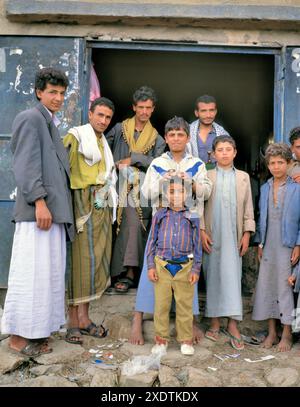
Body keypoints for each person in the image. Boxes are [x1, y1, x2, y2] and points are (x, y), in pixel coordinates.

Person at [1, 68, 74, 357]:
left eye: (61, 93)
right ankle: (18, 337)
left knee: (45, 276)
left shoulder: (49, 123)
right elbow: (25, 165)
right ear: (38, 92)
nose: (57, 98)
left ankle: (37, 332)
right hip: (38, 213)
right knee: (30, 275)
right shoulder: (31, 118)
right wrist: (40, 201)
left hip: (51, 213)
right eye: (52, 92)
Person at [130, 116, 212, 345]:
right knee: (152, 274)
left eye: (181, 135)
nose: (176, 138)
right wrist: (162, 180)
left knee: (188, 274)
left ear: (187, 137)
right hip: (163, 227)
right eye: (172, 135)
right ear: (166, 138)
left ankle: (191, 322)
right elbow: (146, 194)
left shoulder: (196, 163)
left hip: (187, 226)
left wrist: (193, 182)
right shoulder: (158, 163)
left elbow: (205, 192)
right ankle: (138, 319)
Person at [63, 97, 117, 344]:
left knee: (94, 262)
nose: (103, 121)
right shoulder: (75, 137)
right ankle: (72, 322)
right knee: (79, 261)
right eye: (100, 115)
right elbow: (63, 174)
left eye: (108, 117)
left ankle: (84, 318)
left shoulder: (103, 142)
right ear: (90, 114)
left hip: (100, 205)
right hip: (81, 204)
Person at [106, 86, 165, 293]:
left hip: (141, 192)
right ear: (134, 107)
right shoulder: (119, 129)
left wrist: (135, 159)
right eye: (140, 107)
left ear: (153, 109)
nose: (144, 112)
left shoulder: (157, 139)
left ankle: (129, 273)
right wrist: (115, 165)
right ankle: (112, 273)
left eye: (148, 108)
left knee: (133, 226)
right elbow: (103, 149)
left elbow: (158, 164)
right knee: (112, 229)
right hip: (114, 187)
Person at [201, 135, 255, 351]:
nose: (224, 153)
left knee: (233, 276)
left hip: (234, 234)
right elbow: (198, 205)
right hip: (212, 234)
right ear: (213, 154)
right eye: (220, 150)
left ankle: (233, 324)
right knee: (213, 274)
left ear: (235, 152)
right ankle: (214, 322)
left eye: (228, 149)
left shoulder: (243, 177)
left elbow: (249, 206)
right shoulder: (207, 175)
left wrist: (247, 234)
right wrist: (202, 230)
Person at [252, 143, 300, 352]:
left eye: (281, 162)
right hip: (268, 244)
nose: (276, 167)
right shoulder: (264, 188)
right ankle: (272, 332)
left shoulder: (297, 189)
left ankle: (287, 333)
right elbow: (262, 218)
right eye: (272, 163)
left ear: (289, 163)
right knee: (267, 285)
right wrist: (260, 243)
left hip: (288, 244)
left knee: (284, 287)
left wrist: (298, 244)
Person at [147, 176, 201, 356]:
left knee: (184, 306)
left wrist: (196, 268)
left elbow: (197, 244)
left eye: (180, 191)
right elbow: (151, 243)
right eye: (171, 192)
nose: (176, 195)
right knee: (161, 305)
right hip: (162, 264)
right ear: (165, 194)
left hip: (185, 266)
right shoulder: (160, 215)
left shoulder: (192, 216)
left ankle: (186, 340)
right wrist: (150, 266)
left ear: (187, 193)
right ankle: (161, 340)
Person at [188, 95, 229, 166]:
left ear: (216, 111)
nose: (208, 115)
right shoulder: (187, 132)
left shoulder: (223, 134)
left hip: (217, 175)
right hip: (192, 175)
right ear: (196, 113)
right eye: (203, 111)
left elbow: (228, 161)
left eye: (211, 110)